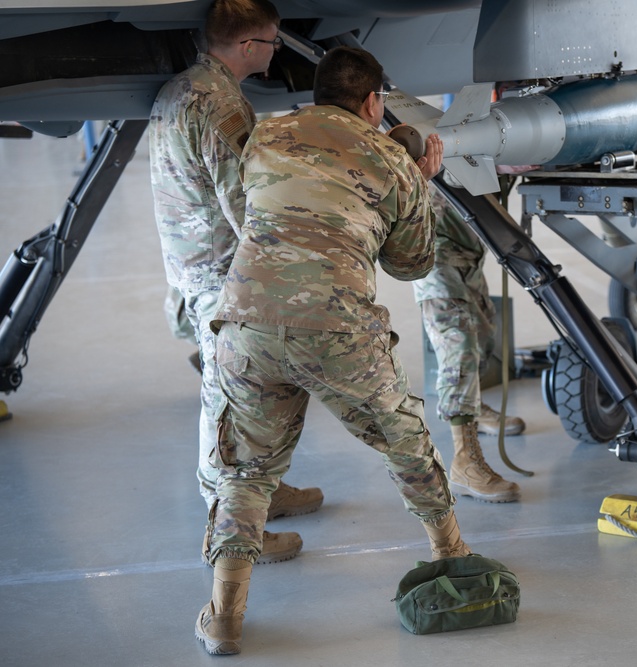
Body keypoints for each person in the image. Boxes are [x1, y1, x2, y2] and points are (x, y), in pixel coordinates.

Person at [195, 46, 471, 656]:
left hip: (248, 321)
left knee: (245, 468)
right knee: (402, 435)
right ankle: (453, 553)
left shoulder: (267, 133)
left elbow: (248, 210)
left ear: (317, 91)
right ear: (373, 101)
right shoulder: (390, 161)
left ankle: (224, 616)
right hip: (337, 329)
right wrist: (417, 180)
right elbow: (412, 263)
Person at [148, 0, 323, 566]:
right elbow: (247, 206)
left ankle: (261, 495)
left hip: (191, 263)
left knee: (246, 394)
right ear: (248, 46)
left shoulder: (179, 88)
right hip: (221, 274)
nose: (276, 54)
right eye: (273, 43)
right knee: (230, 400)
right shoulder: (223, 106)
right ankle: (231, 525)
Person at [413, 185, 525, 503]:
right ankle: (465, 462)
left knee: (484, 336)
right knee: (459, 347)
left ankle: (474, 410)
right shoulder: (449, 139)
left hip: (468, 255)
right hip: (434, 255)